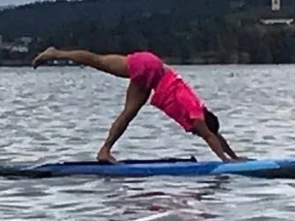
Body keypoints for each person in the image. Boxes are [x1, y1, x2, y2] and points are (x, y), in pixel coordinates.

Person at [30, 47, 244, 163]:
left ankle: (57, 54)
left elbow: (213, 134)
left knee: (98, 61)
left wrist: (234, 156)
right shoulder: (196, 113)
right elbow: (209, 135)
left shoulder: (200, 111)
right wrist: (226, 162)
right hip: (149, 71)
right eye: (201, 131)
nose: (197, 133)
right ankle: (104, 150)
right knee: (127, 111)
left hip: (152, 67)